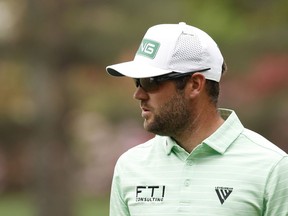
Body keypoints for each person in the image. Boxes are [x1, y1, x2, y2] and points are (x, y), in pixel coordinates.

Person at [106, 22, 288, 216]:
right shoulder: (130, 166)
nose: (138, 94)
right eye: (137, 82)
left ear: (194, 84)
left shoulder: (273, 168)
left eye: (150, 81)